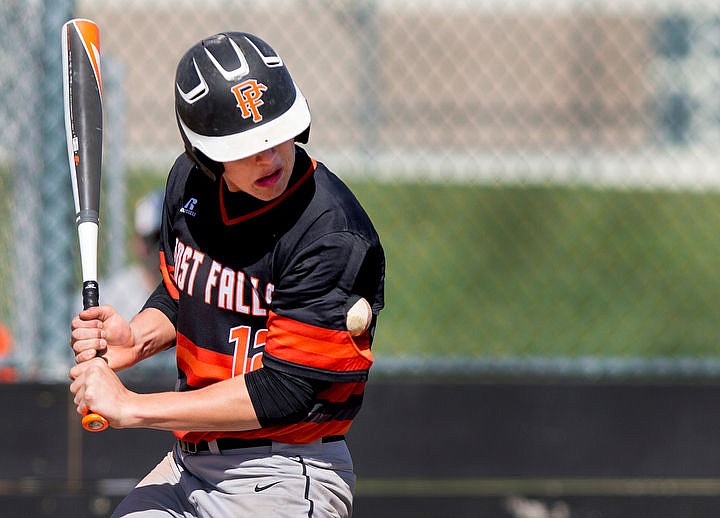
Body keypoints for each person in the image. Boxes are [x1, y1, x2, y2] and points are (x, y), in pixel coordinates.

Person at [69, 31, 385, 518]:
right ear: (205, 152)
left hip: (285, 469)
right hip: (188, 465)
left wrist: (131, 407)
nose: (270, 156)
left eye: (276, 134)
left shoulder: (331, 232)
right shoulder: (188, 185)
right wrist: (135, 338)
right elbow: (182, 295)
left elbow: (283, 392)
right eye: (247, 146)